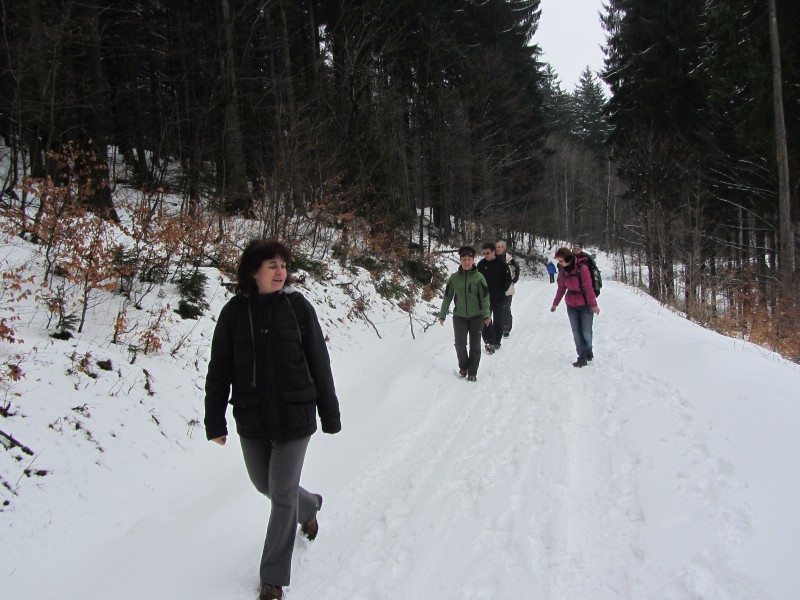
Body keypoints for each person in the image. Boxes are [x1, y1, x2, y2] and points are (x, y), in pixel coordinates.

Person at [204, 239, 342, 600]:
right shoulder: (234, 313)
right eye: (272, 266)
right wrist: (214, 422)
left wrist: (329, 412)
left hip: (295, 414)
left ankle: (272, 579)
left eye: (283, 265)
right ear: (254, 271)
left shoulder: (297, 307)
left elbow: (319, 361)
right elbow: (219, 370)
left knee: (281, 493)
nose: (281, 272)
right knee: (264, 484)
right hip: (253, 416)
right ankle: (309, 505)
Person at [438, 246, 491, 382]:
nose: (466, 262)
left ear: (473, 260)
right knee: (459, 344)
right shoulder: (454, 278)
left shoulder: (479, 278)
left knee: (475, 346)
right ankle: (463, 366)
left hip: (477, 316)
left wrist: (487, 315)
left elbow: (485, 298)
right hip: (459, 316)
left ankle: (472, 372)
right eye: (464, 259)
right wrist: (442, 314)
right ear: (460, 260)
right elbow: (447, 297)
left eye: (469, 259)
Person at [550, 246, 600, 368]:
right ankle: (581, 358)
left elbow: (588, 288)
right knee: (576, 333)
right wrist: (555, 303)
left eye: (561, 261)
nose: (559, 264)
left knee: (586, 332)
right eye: (558, 261)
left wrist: (594, 305)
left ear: (568, 259)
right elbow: (561, 288)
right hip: (571, 305)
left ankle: (589, 349)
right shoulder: (563, 271)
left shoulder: (582, 269)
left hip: (585, 305)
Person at [477, 242, 512, 353]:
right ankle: (489, 341)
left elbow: (508, 280)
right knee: (486, 320)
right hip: (485, 298)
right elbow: (477, 280)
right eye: (483, 253)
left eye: (487, 253)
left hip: (499, 297)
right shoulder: (481, 265)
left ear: (493, 252)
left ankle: (497, 340)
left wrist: (502, 290)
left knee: (498, 320)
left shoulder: (502, 265)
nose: (485, 255)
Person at [494, 239, 520, 338]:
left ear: (504, 248)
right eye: (496, 247)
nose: (497, 249)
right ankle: (497, 326)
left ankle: (506, 327)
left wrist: (515, 279)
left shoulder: (509, 259)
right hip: (496, 288)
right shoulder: (492, 259)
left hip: (508, 288)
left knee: (506, 307)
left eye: (499, 247)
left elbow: (517, 268)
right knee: (497, 308)